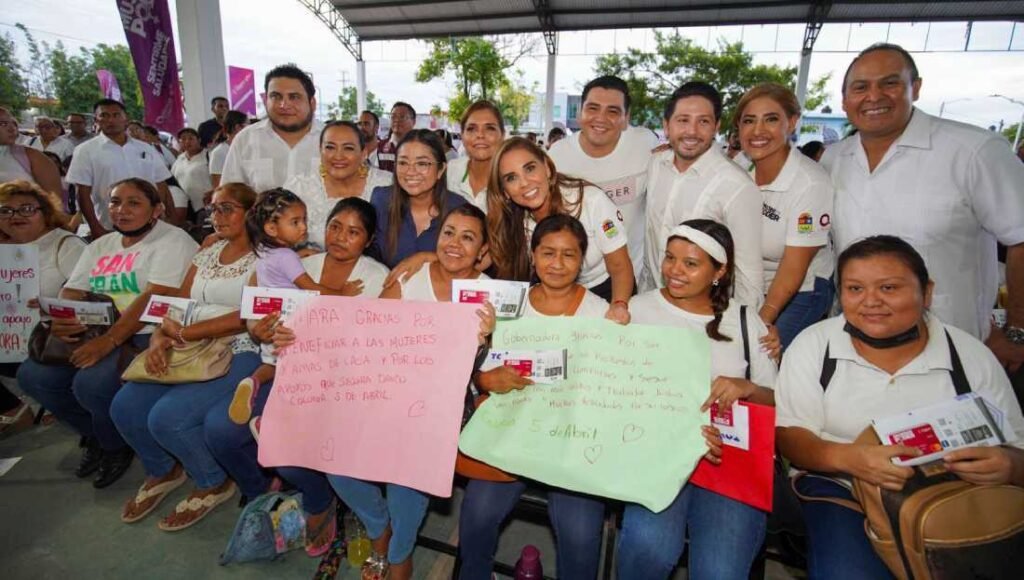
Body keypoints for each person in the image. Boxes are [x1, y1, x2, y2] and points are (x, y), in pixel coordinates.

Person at [775, 235, 1024, 580]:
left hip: (950, 490)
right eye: (855, 289)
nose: (871, 302)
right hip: (842, 486)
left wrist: (1008, 466)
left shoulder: (968, 355)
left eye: (889, 288)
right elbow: (790, 437)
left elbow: (1018, 450)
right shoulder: (815, 346)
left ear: (928, 292)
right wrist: (851, 460)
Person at [822, 43, 1024, 370]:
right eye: (860, 87)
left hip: (951, 348)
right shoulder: (834, 159)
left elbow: (1020, 237)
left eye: (889, 83)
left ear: (915, 88)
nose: (873, 96)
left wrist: (1018, 331)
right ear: (845, 101)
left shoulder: (974, 151)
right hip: (853, 346)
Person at [330, 204, 494, 580]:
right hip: (388, 388)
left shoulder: (487, 295)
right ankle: (378, 528)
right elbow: (371, 334)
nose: (455, 243)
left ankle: (400, 551)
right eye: (449, 232)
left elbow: (492, 369)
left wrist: (485, 340)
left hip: (447, 404)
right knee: (334, 452)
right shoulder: (409, 276)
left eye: (468, 237)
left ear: (482, 251)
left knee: (408, 462)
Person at [617, 219, 778, 579]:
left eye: (691, 264)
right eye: (670, 258)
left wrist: (747, 388)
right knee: (647, 549)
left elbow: (778, 404)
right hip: (655, 454)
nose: (675, 270)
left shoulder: (745, 321)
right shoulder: (637, 311)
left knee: (719, 571)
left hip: (729, 462)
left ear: (719, 271)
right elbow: (614, 391)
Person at [234, 196, 391, 556]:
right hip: (295, 372)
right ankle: (319, 498)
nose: (339, 237)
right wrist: (263, 329)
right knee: (278, 452)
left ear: (368, 241)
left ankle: (360, 513)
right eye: (335, 226)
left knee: (327, 450)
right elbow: (257, 310)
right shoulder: (302, 261)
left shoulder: (375, 277)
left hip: (347, 382)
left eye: (353, 232)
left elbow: (377, 342)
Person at [16, 178, 197, 489]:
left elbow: (154, 297)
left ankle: (114, 447)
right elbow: (73, 289)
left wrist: (109, 340)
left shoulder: (173, 240)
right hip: (94, 328)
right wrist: (61, 317)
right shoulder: (101, 245)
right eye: (115, 202)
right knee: (34, 377)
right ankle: (100, 433)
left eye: (133, 203)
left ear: (157, 210)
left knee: (92, 383)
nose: (121, 210)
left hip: (145, 333)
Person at [459, 213, 610, 580]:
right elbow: (467, 370)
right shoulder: (506, 303)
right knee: (476, 517)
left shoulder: (600, 313)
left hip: (570, 443)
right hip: (509, 433)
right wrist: (484, 379)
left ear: (583, 259)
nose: (557, 264)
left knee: (581, 535)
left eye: (569, 255)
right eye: (548, 253)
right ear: (533, 253)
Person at [109, 182, 260, 531]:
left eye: (227, 208)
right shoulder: (208, 251)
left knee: (167, 417)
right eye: (213, 209)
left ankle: (212, 480)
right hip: (189, 343)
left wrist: (184, 333)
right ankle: (163, 469)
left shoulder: (265, 256)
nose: (216, 216)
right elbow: (178, 299)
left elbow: (247, 316)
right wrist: (162, 334)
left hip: (239, 348)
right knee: (126, 407)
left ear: (251, 213)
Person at [226, 189, 363, 426]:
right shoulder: (287, 257)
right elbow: (312, 289)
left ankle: (252, 382)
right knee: (295, 375)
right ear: (271, 228)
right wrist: (343, 293)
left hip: (269, 319)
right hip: (291, 321)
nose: (303, 228)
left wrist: (298, 254)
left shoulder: (264, 251)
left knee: (271, 365)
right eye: (295, 222)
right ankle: (270, 423)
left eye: (305, 220)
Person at [488, 136, 633, 321]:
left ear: (547, 168)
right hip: (553, 297)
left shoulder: (591, 201)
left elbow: (620, 267)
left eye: (530, 168)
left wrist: (619, 306)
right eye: (511, 178)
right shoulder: (511, 221)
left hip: (608, 292)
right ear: (504, 192)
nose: (524, 183)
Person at [645, 82, 764, 306]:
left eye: (703, 122)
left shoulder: (737, 186)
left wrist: (742, 328)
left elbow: (749, 274)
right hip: (652, 302)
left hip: (703, 313)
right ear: (666, 125)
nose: (692, 131)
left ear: (716, 126)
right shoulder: (655, 165)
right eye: (683, 120)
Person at [735, 83, 835, 349]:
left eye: (771, 119)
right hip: (750, 281)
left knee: (757, 352)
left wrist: (765, 317)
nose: (757, 131)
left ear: (791, 123)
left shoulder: (811, 183)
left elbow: (794, 267)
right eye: (748, 121)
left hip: (801, 290)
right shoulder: (737, 168)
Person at [549, 75, 658, 290]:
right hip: (574, 282)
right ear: (580, 113)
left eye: (613, 111)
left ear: (626, 118)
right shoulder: (557, 156)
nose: (600, 118)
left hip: (631, 278)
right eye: (593, 108)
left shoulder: (645, 144)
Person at [0, 180, 86, 434]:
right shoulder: (4, 251)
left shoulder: (66, 245)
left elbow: (92, 296)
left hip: (58, 338)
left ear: (45, 212)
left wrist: (52, 306)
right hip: (13, 338)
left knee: (34, 375)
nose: (15, 216)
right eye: (5, 210)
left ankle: (75, 414)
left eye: (26, 209)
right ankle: (13, 408)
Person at [66, 99, 177, 237]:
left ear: (126, 118)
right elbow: (82, 194)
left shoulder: (145, 148)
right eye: (104, 116)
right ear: (96, 120)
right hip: (110, 225)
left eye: (116, 115)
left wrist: (171, 217)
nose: (111, 120)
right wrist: (96, 228)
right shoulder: (85, 151)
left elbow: (161, 184)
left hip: (151, 223)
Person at [283, 120, 392, 250]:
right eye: (330, 147)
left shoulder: (387, 185)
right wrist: (293, 258)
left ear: (364, 153)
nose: (338, 156)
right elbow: (274, 238)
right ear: (320, 151)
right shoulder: (299, 188)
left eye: (348, 148)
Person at [368, 129, 465, 268]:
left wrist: (429, 258)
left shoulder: (458, 208)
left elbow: (471, 257)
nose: (411, 172)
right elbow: (369, 255)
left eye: (422, 164)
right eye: (403, 163)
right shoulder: (381, 200)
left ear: (441, 169)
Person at [221, 64, 321, 193]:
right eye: (276, 96)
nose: (284, 105)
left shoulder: (333, 140)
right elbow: (231, 194)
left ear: (312, 103)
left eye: (294, 97)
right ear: (265, 101)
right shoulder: (246, 140)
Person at [446, 100, 505, 211]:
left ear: (502, 135)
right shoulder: (451, 170)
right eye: (471, 129)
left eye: (490, 128)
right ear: (462, 136)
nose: (480, 135)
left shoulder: (512, 177)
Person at [0, 107, 64, 197]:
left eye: (14, 124)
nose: (12, 129)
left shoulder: (32, 157)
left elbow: (55, 201)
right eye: (3, 124)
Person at [170, 128, 212, 215]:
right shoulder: (179, 159)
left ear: (199, 140)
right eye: (183, 139)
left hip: (205, 205)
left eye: (191, 138)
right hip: (185, 206)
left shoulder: (208, 156)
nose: (187, 142)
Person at [209, 110, 249, 189]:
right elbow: (217, 185)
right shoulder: (219, 152)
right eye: (248, 125)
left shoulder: (247, 148)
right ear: (238, 127)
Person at [376, 102, 416, 173]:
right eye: (393, 117)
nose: (396, 120)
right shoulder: (379, 147)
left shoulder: (421, 147)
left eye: (402, 117)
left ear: (413, 122)